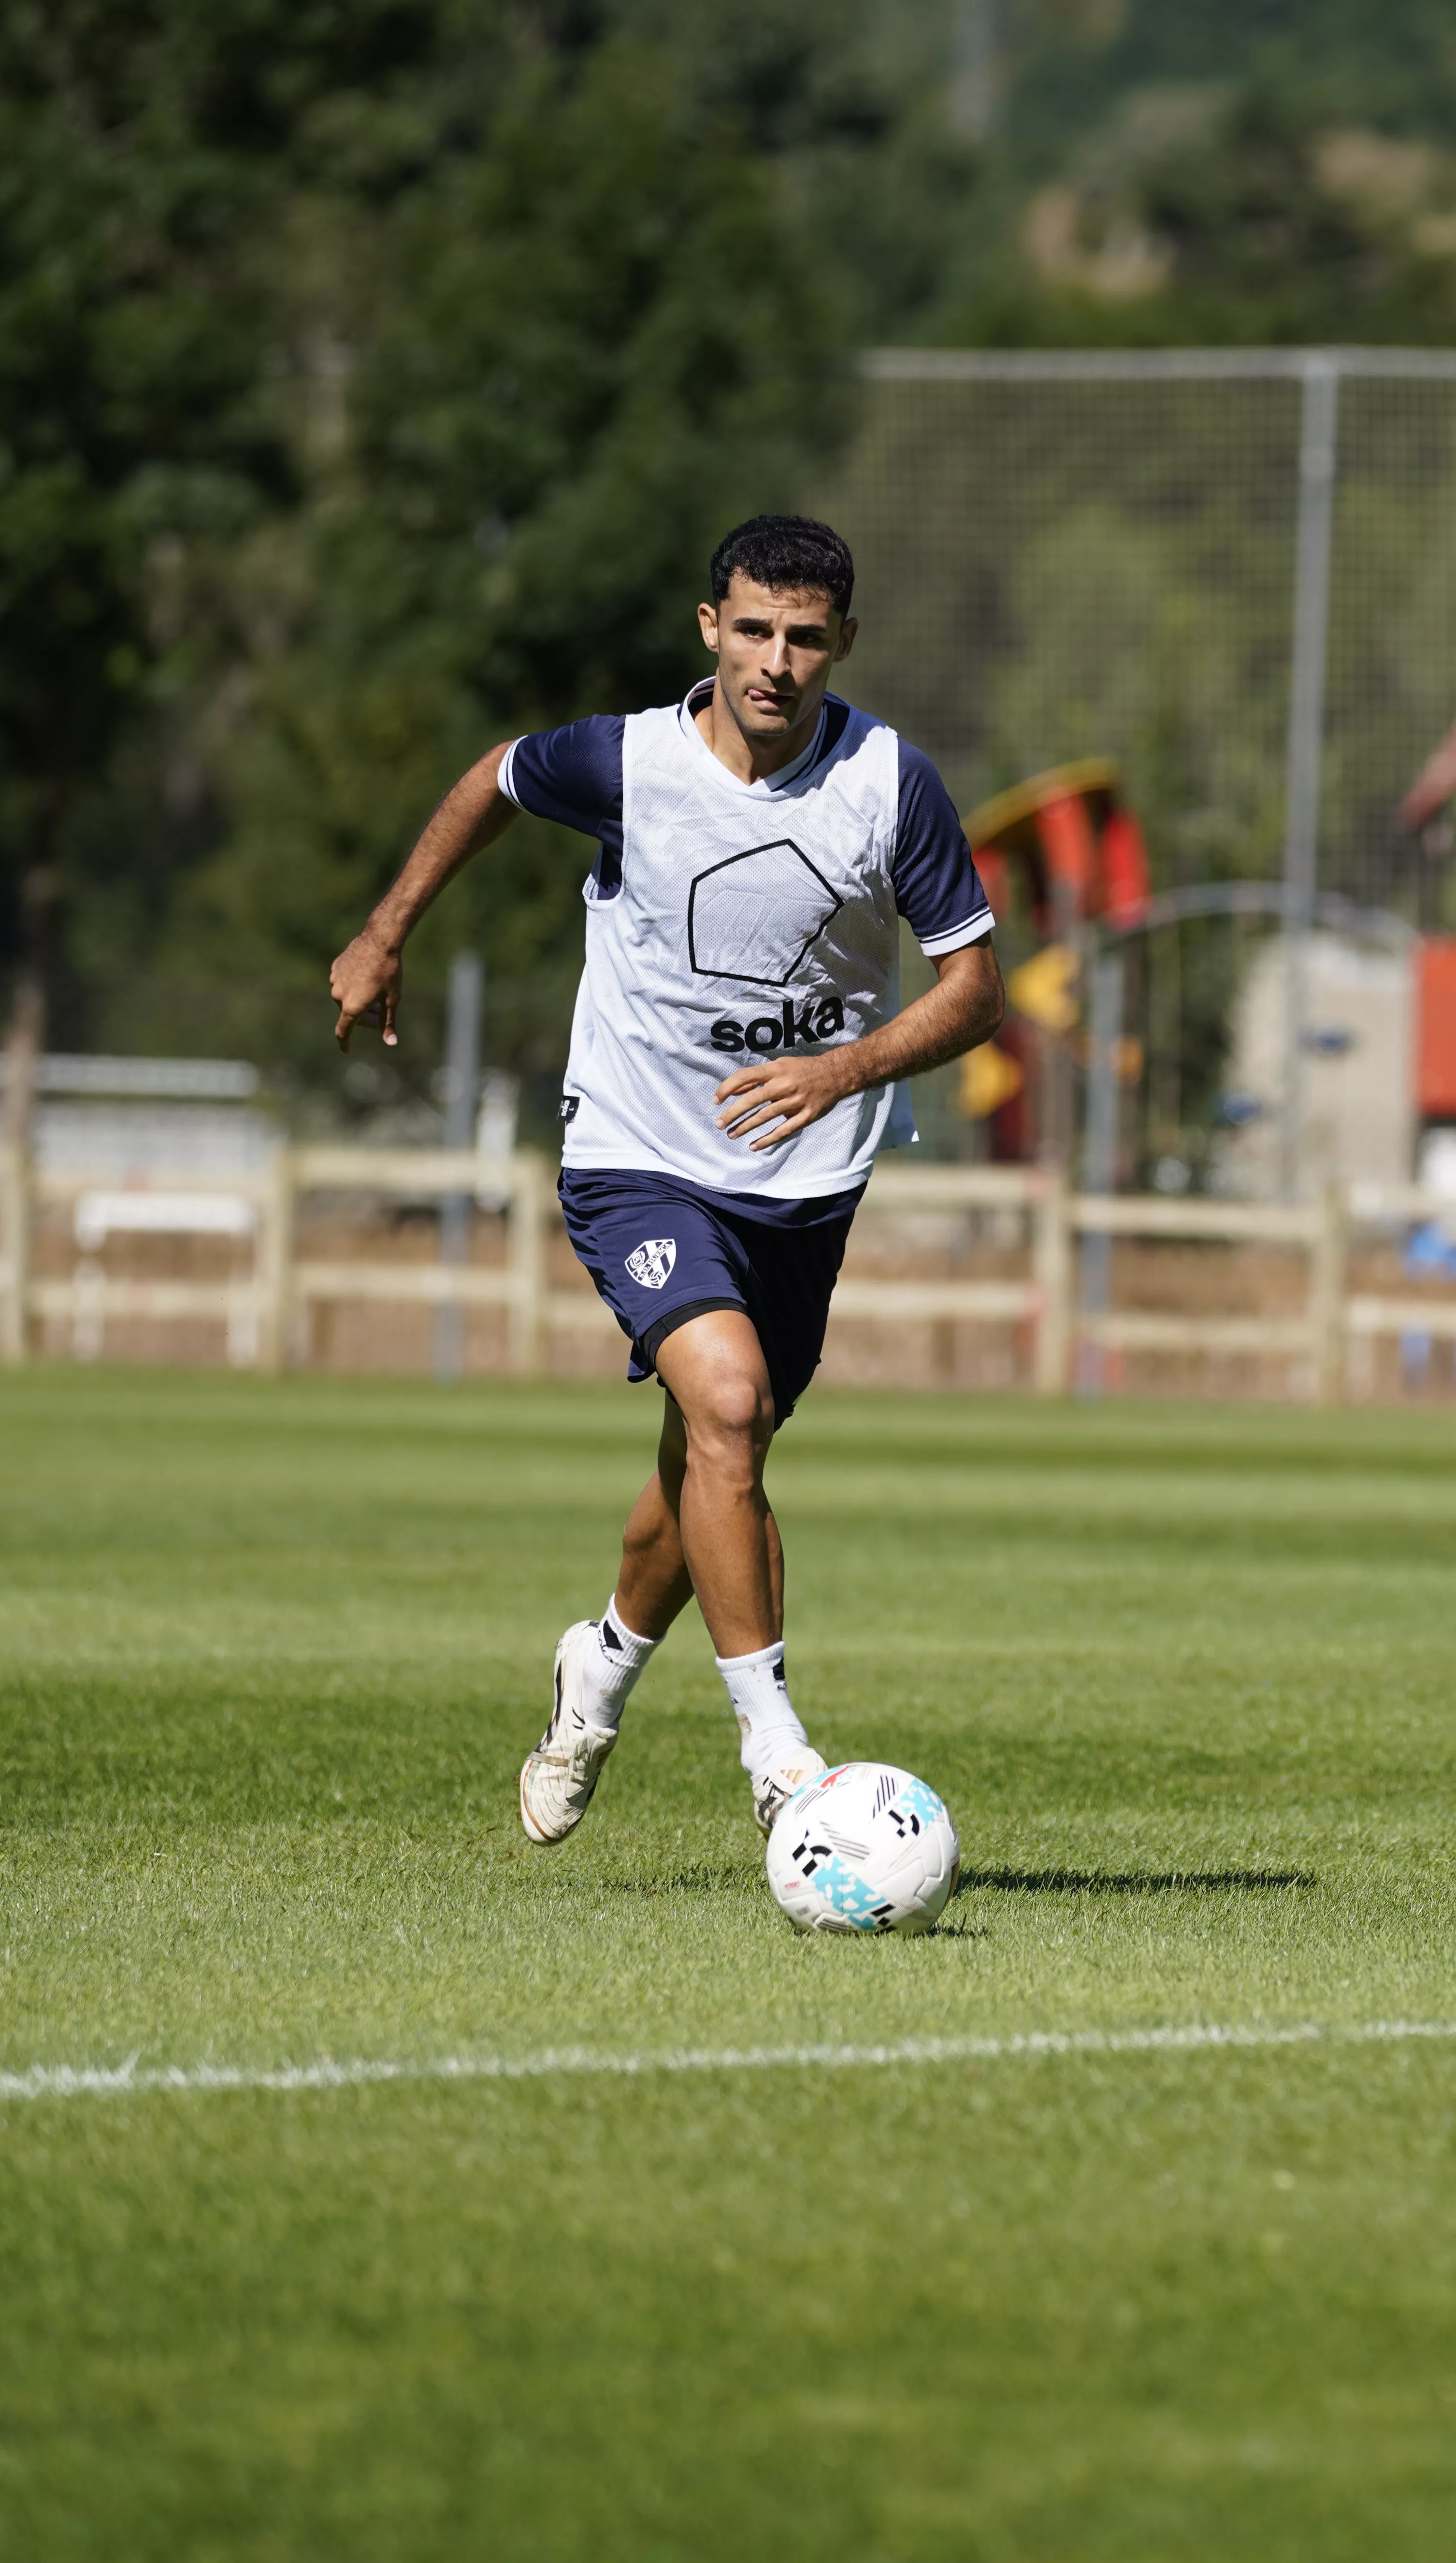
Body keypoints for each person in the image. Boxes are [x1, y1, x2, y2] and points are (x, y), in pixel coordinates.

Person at [328, 516, 1005, 1841]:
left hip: (804, 1185)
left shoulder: (888, 785)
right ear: (711, 629)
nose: (777, 662)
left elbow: (976, 990)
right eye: (753, 629)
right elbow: (491, 782)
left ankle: (600, 1676)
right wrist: (384, 927)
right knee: (731, 1403)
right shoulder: (627, 759)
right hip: (635, 1154)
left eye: (806, 638)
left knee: (704, 1472)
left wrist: (847, 1068)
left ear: (844, 645)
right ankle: (778, 1759)